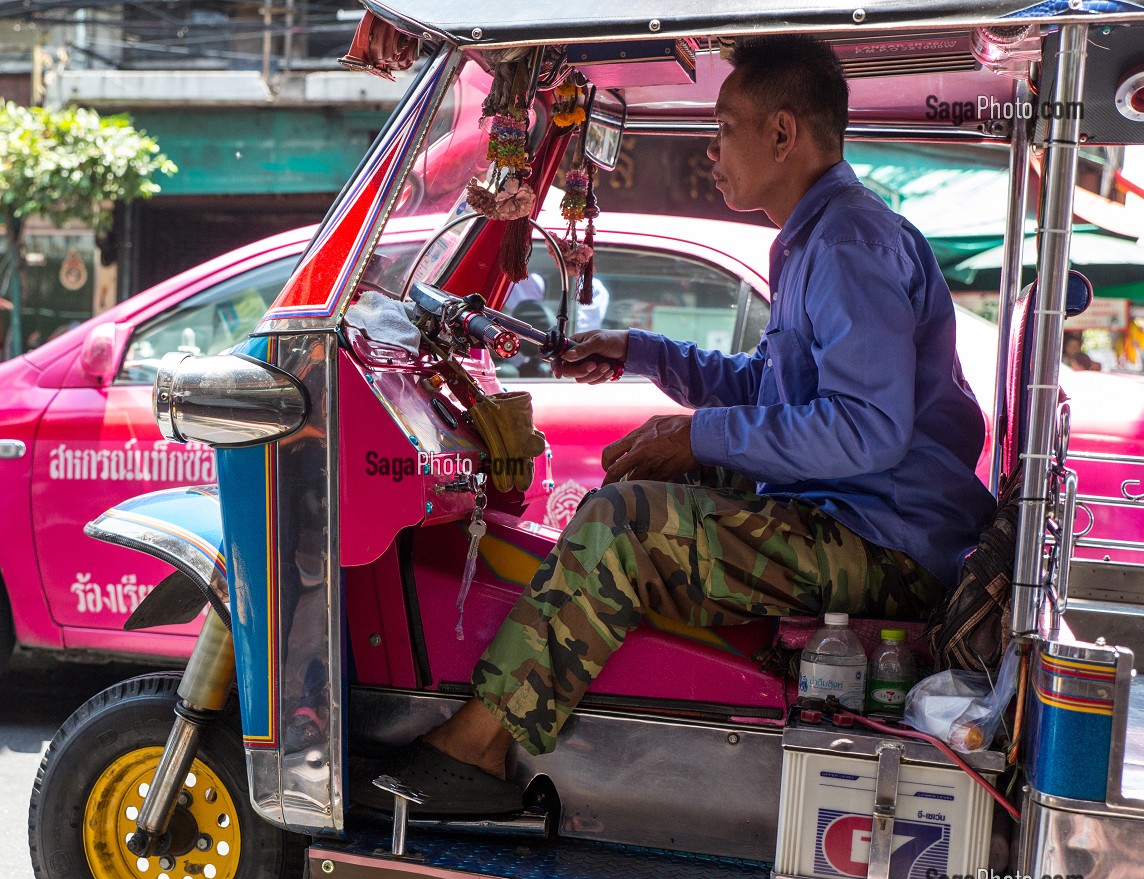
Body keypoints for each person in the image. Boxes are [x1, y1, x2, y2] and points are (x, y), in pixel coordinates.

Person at [358, 35, 995, 815]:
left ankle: (478, 745)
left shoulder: (847, 245)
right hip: (856, 511)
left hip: (888, 545)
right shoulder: (816, 238)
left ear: (783, 133)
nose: (711, 149)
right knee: (646, 475)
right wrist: (640, 352)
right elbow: (770, 386)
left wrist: (695, 436)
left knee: (627, 522)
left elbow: (867, 430)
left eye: (724, 128)